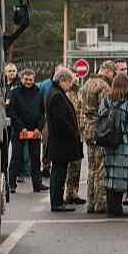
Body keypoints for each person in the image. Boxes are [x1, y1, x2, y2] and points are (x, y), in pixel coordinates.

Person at [98, 74, 128, 218]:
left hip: (108, 142)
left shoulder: (105, 101)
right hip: (124, 144)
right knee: (121, 176)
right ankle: (117, 208)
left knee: (110, 175)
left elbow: (101, 117)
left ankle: (111, 207)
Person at [78, 62, 116, 213]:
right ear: (107, 71)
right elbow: (105, 110)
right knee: (101, 168)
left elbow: (81, 108)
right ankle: (101, 203)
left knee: (92, 168)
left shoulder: (87, 84)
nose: (113, 76)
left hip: (88, 128)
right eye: (113, 72)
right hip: (99, 130)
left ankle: (90, 202)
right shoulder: (104, 87)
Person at [43, 69, 82, 212]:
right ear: (62, 80)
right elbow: (61, 120)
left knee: (58, 172)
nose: (70, 85)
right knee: (59, 174)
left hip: (59, 141)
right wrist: (72, 133)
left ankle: (57, 201)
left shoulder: (54, 92)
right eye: (69, 82)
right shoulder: (57, 95)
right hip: (61, 142)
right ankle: (57, 202)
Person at [6, 69, 47, 193]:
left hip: (34, 131)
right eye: (26, 79)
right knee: (16, 158)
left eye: (31, 79)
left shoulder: (39, 93)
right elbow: (11, 112)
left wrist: (38, 128)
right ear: (22, 79)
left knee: (35, 159)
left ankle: (37, 184)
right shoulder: (14, 93)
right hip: (19, 130)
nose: (28, 82)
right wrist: (21, 128)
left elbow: (42, 113)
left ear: (34, 80)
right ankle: (11, 184)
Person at [62, 70, 87, 206]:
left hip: (80, 133)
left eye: (76, 77)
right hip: (70, 133)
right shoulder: (66, 94)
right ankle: (68, 192)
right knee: (70, 165)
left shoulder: (80, 93)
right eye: (73, 77)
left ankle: (74, 192)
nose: (76, 79)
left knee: (77, 164)